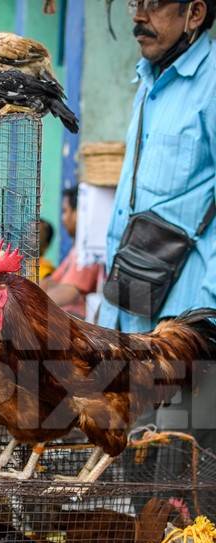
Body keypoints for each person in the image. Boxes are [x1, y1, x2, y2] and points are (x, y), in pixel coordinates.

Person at [98, 0, 216, 446]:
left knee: (177, 481)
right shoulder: (148, 79)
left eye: (153, 3)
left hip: (184, 328)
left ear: (196, 13)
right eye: (134, 2)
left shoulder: (211, 83)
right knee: (130, 467)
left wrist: (203, 326)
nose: (138, 15)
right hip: (130, 309)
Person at [40, 187, 100, 319]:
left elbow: (69, 292)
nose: (63, 218)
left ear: (78, 213)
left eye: (65, 211)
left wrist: (30, 304)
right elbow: (51, 281)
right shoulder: (75, 249)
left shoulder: (88, 252)